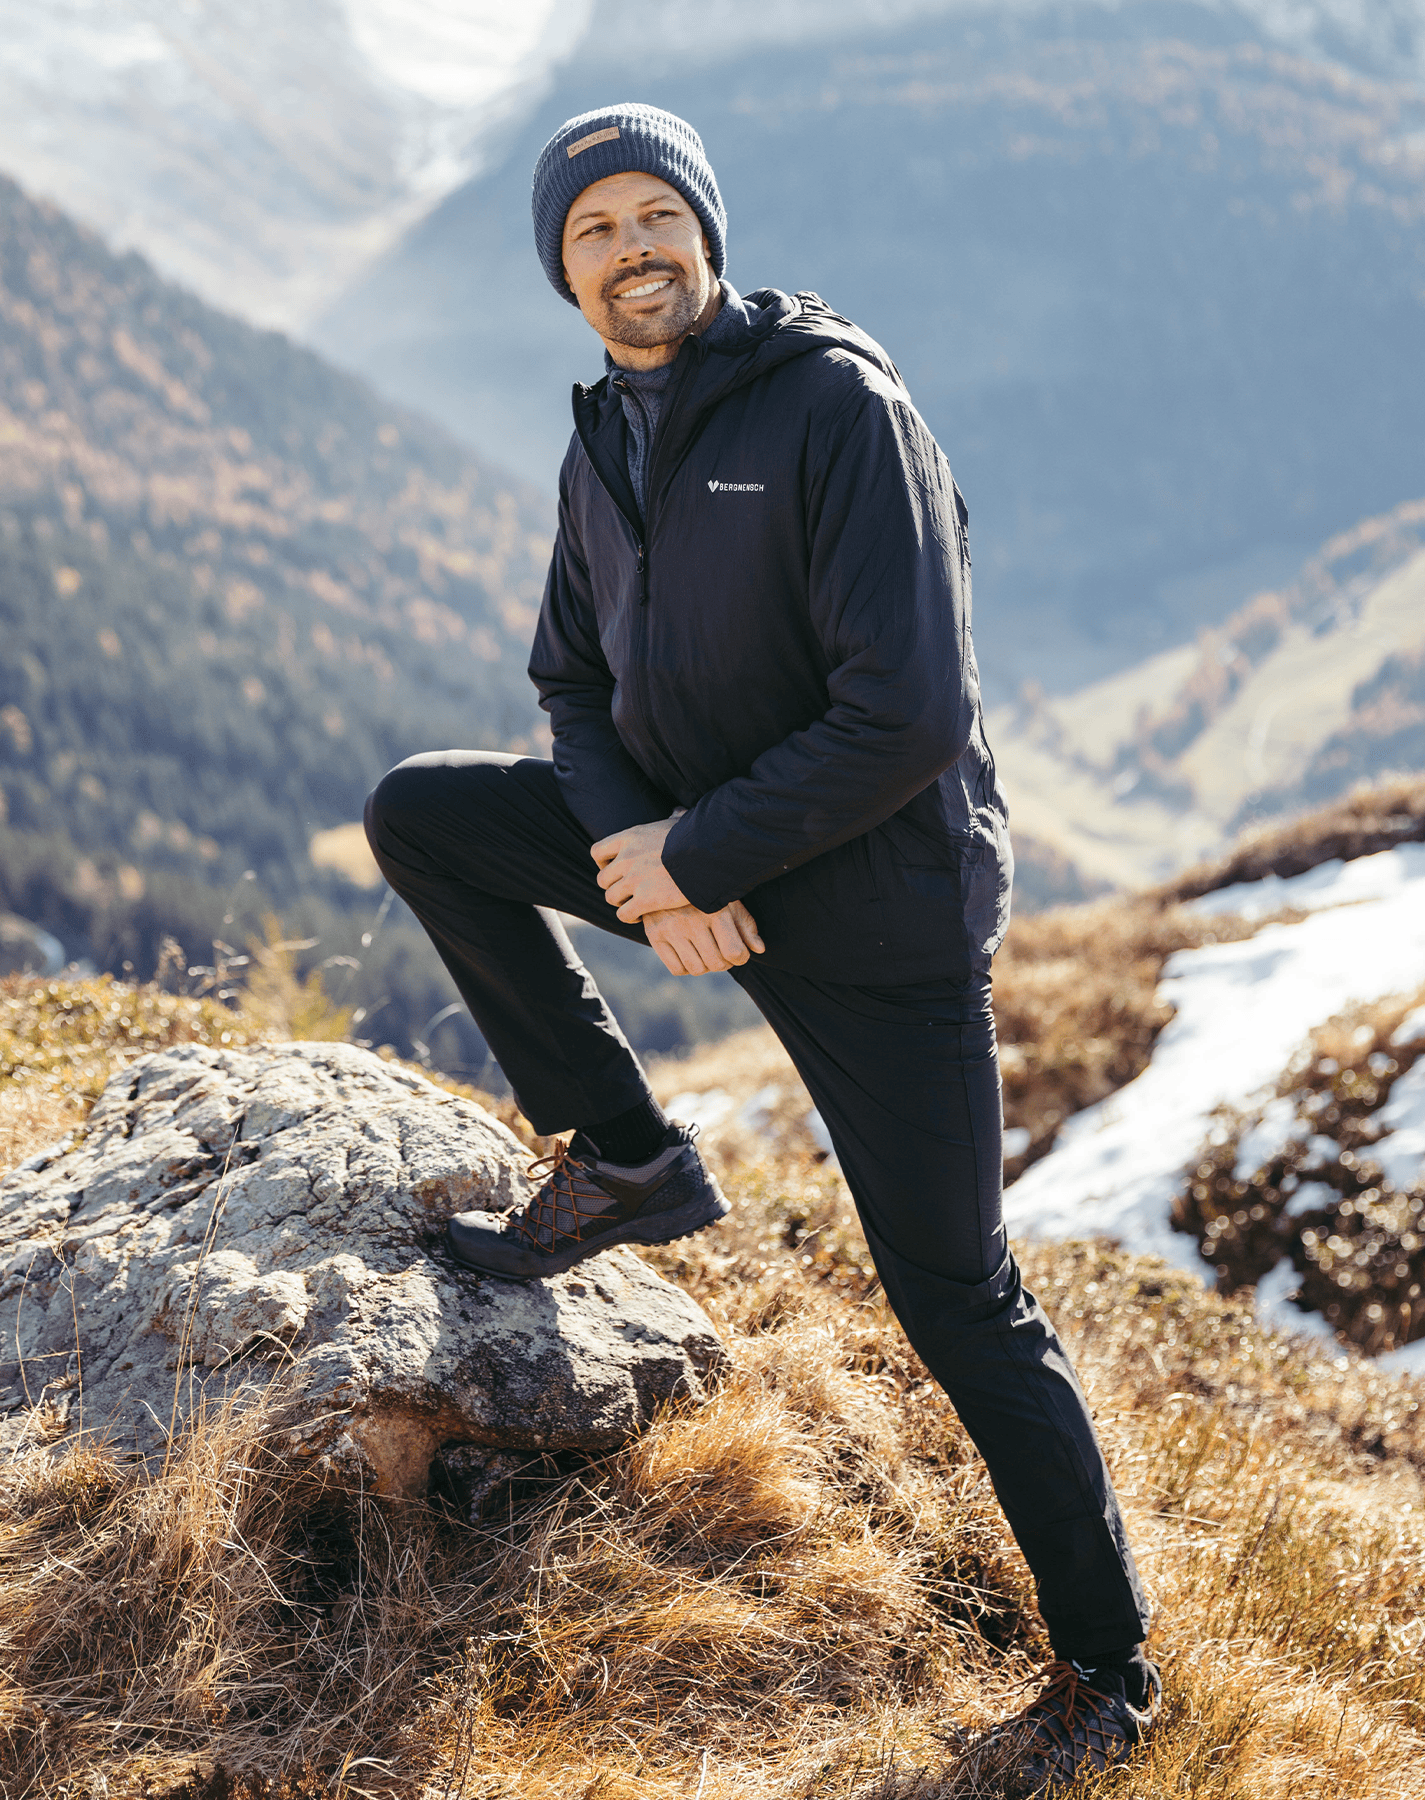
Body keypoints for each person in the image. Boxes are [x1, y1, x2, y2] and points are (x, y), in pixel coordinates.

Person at [364, 102, 1160, 1786]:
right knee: (428, 811)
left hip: (877, 920)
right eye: (593, 230)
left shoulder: (833, 407)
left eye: (656, 215)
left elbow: (910, 712)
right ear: (561, 271)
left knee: (956, 1301)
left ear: (709, 234)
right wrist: (642, 865)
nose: (630, 248)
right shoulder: (610, 439)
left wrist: (702, 851)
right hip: (701, 856)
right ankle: (630, 1159)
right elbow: (571, 686)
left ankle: (1109, 1671)